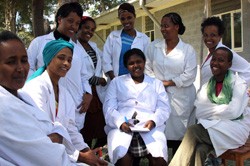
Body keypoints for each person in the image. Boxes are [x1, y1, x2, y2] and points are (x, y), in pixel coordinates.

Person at [22, 40, 107, 166]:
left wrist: (86, 151)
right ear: (49, 58)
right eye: (61, 58)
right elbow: (47, 134)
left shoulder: (65, 93)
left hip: (59, 152)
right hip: (37, 155)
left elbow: (70, 129)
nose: (66, 63)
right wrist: (80, 156)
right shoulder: (36, 88)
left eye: (69, 60)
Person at [0, 30, 77, 165]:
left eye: (24, 60)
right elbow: (50, 158)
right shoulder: (4, 105)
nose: (21, 68)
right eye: (11, 62)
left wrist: (54, 136)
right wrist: (53, 137)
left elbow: (56, 129)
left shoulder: (22, 96)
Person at [169, 47, 250, 166]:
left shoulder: (239, 84)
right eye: (213, 59)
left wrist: (211, 110)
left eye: (221, 60)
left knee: (193, 130)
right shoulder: (207, 86)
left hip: (235, 130)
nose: (215, 63)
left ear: (229, 64)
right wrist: (223, 109)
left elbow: (233, 112)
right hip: (214, 128)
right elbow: (199, 112)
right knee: (200, 150)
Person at [103, 48, 170, 166]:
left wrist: (154, 121)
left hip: (149, 128)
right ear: (126, 66)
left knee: (158, 157)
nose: (136, 66)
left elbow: (164, 108)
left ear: (144, 62)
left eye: (139, 62)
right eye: (131, 63)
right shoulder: (116, 82)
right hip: (122, 127)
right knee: (122, 157)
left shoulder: (156, 83)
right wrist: (120, 123)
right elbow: (109, 108)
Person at [144, 12, 197, 154]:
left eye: (166, 26)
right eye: (162, 26)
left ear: (176, 27)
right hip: (159, 95)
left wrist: (167, 83)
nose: (163, 29)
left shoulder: (187, 50)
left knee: (180, 135)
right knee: (160, 132)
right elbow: (147, 68)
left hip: (182, 98)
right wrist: (157, 84)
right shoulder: (154, 47)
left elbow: (189, 75)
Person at [73, 16, 108, 148]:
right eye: (86, 27)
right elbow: (77, 73)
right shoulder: (73, 47)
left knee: (102, 130)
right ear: (79, 27)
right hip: (84, 92)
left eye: (92, 29)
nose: (90, 31)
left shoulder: (93, 46)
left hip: (97, 94)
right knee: (85, 131)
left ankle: (97, 155)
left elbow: (104, 61)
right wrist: (98, 80)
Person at [102, 2, 150, 81]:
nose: (126, 21)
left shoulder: (144, 38)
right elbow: (105, 59)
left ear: (134, 17)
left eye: (129, 17)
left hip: (137, 81)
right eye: (123, 19)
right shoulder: (113, 36)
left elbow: (147, 62)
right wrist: (113, 79)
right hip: (116, 79)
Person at [200, 16, 250, 86]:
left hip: (220, 96)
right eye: (205, 35)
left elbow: (248, 70)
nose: (208, 38)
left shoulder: (225, 53)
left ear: (220, 36)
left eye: (213, 35)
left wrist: (234, 88)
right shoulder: (210, 53)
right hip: (207, 94)